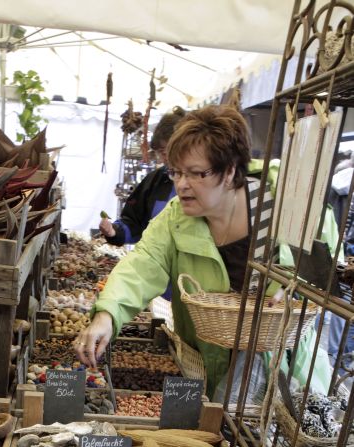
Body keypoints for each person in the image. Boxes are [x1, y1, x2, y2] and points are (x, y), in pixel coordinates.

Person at [74, 104, 341, 399]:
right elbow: (143, 263)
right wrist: (107, 314)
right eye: (176, 172)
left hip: (285, 369)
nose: (182, 185)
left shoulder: (288, 201)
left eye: (196, 174)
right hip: (207, 364)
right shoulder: (177, 217)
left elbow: (329, 273)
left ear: (229, 171)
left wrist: (296, 285)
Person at [99, 107, 186, 246]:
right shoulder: (155, 181)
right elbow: (134, 222)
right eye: (159, 153)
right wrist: (114, 231)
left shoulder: (203, 183)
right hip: (156, 257)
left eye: (164, 152)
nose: (162, 159)